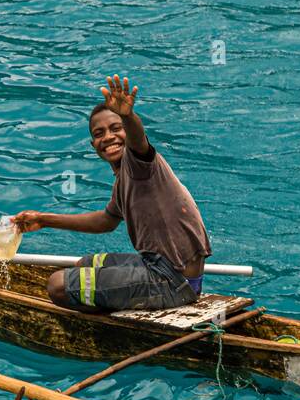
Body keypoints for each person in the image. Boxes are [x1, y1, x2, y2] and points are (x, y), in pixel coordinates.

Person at [13, 76, 210, 312]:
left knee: (57, 285)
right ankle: (117, 298)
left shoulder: (139, 164)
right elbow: (105, 221)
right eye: (99, 133)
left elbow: (138, 141)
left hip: (171, 281)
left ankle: (115, 322)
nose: (108, 137)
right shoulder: (123, 180)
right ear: (93, 144)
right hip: (158, 265)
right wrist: (43, 220)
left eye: (116, 129)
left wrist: (127, 115)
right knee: (84, 265)